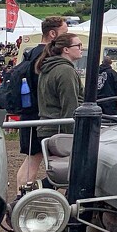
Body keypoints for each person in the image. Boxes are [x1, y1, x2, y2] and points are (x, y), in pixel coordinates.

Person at [16, 16, 68, 189]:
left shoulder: (30, 53)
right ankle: (20, 200)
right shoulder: (44, 57)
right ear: (52, 34)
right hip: (38, 116)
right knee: (33, 161)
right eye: (64, 33)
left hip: (29, 114)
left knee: (33, 159)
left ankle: (21, 199)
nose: (66, 37)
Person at [32, 33, 84, 187]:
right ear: (66, 49)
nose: (82, 49)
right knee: (74, 172)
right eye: (78, 46)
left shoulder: (48, 68)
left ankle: (39, 191)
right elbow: (70, 106)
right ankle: (39, 191)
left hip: (48, 127)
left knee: (62, 174)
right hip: (60, 129)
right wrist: (72, 136)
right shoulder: (65, 71)